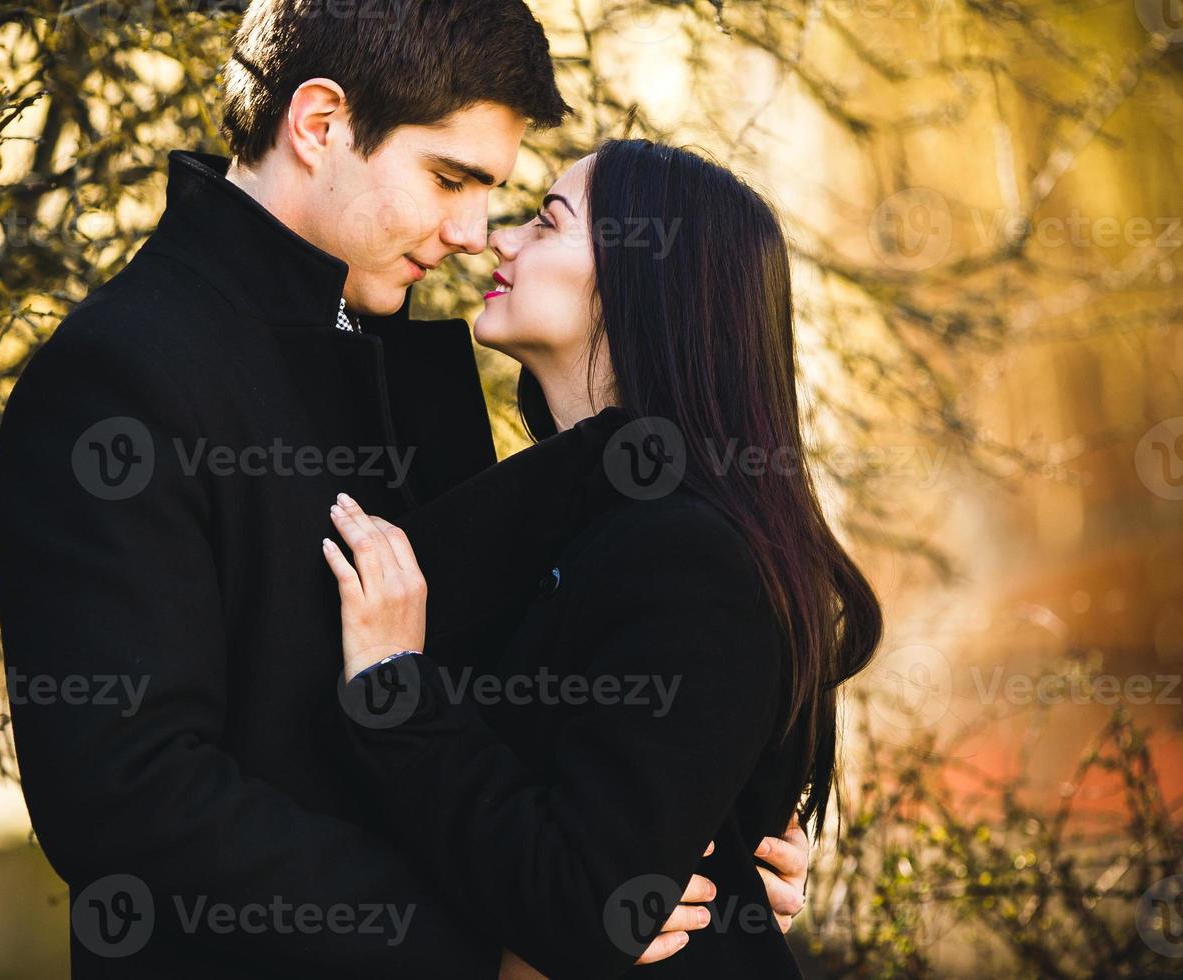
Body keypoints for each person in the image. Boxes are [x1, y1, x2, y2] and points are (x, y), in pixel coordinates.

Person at [0, 2, 809, 975]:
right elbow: (128, 800)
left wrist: (703, 821)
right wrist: (491, 941)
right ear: (320, 124)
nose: (474, 233)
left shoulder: (403, 363)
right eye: (448, 178)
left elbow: (509, 705)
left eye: (496, 191)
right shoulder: (118, 378)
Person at [324, 140, 883, 977]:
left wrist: (395, 683)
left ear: (646, 284)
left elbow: (582, 901)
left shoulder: (691, 557)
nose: (497, 241)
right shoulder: (576, 525)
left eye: (546, 222)